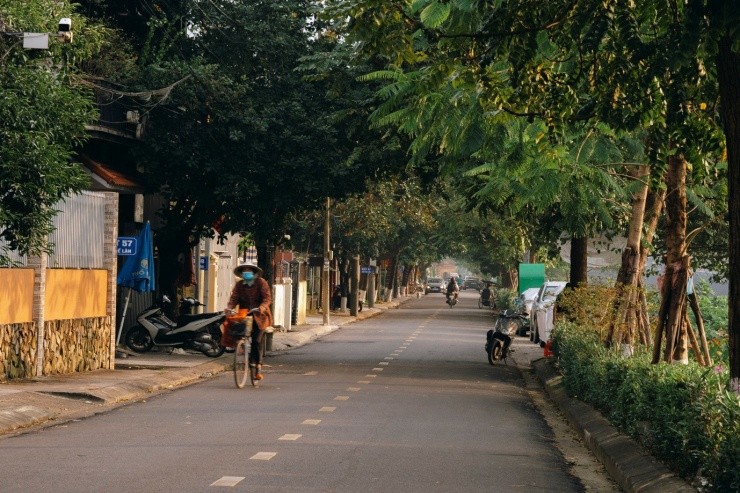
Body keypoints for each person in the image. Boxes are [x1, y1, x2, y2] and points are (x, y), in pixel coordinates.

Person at [225, 261, 273, 381]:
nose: (246, 272)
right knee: (235, 333)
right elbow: (234, 298)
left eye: (249, 270)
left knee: (256, 340)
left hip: (259, 316)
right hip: (244, 314)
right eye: (244, 270)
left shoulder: (261, 283)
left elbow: (267, 299)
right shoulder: (240, 285)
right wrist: (230, 307)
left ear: (254, 272)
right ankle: (241, 350)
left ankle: (257, 365)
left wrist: (262, 307)